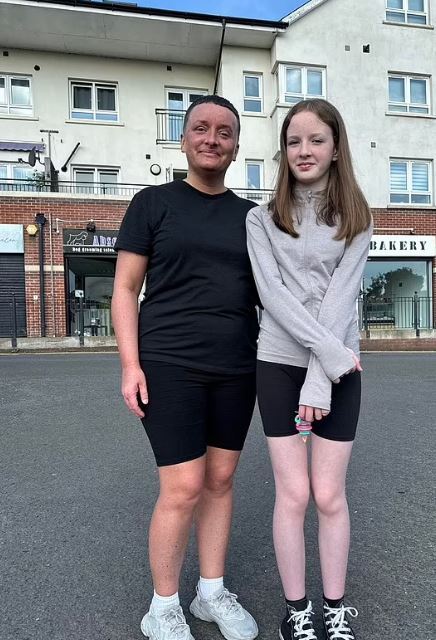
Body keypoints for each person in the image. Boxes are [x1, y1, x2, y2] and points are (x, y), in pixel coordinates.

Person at [112, 95, 259, 640]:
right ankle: (163, 605)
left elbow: (275, 295)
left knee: (220, 480)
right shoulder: (152, 203)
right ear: (183, 139)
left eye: (224, 131)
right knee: (183, 486)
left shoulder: (252, 217)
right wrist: (131, 364)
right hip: (169, 362)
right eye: (201, 128)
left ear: (236, 146)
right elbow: (125, 289)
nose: (212, 138)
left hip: (236, 366)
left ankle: (211, 592)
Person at [246, 98, 373, 640]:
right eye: (294, 141)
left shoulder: (357, 218)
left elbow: (342, 299)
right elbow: (273, 297)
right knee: (293, 495)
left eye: (316, 140)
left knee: (329, 496)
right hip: (277, 363)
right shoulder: (260, 218)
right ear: (283, 150)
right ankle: (297, 612)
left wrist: (324, 376)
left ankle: (335, 609)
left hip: (339, 371)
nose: (304, 150)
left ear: (336, 147)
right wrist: (324, 361)